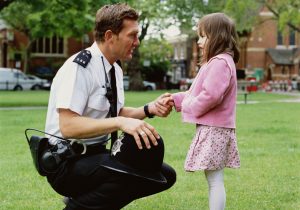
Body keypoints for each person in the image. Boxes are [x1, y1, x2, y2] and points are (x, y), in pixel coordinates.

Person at [44, 3, 176, 210]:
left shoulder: (114, 68)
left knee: (164, 176)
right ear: (109, 36)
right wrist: (121, 122)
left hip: (94, 155)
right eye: (132, 35)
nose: (137, 42)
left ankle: (85, 204)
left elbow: (115, 113)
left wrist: (149, 109)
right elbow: (68, 126)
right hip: (65, 162)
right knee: (129, 175)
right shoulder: (80, 68)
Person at [163, 13, 241, 210]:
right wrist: (176, 99)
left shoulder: (220, 63)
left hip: (215, 129)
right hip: (216, 128)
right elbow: (196, 92)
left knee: (215, 180)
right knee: (214, 178)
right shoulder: (218, 62)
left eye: (203, 36)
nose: (199, 41)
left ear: (218, 37)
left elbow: (211, 95)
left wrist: (189, 106)